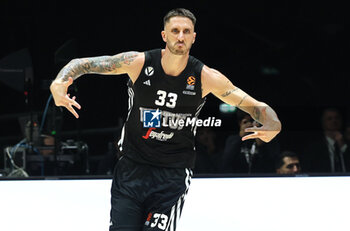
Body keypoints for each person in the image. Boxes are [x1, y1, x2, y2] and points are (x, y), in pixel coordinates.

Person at [50, 8, 281, 231]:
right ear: (164, 35)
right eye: (175, 30)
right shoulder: (138, 63)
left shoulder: (206, 77)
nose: (180, 36)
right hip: (132, 168)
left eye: (186, 31)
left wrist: (273, 122)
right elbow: (81, 64)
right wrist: (58, 83)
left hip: (172, 174)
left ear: (193, 37)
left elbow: (253, 105)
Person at [302, 107, 350, 173]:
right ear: (323, 122)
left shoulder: (347, 143)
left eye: (337, 118)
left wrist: (343, 146)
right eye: (329, 119)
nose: (334, 121)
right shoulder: (315, 147)